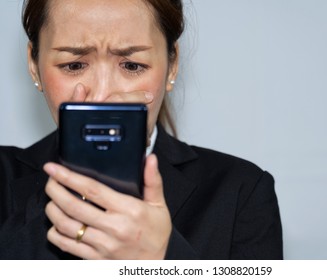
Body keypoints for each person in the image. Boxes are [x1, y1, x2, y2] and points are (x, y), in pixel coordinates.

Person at [0, 0, 283, 260]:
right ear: (34, 66)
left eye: (132, 65)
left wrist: (165, 258)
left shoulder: (240, 191)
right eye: (74, 65)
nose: (101, 95)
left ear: (172, 66)